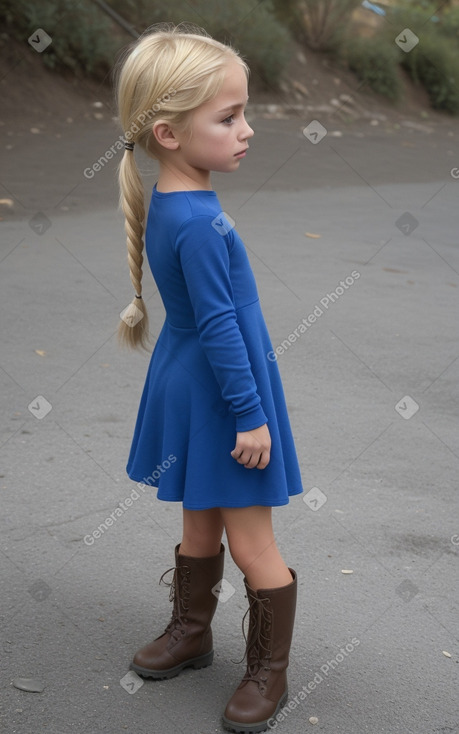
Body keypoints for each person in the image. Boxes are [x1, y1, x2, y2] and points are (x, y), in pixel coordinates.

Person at [115, 23, 303, 733]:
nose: (246, 129)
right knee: (232, 534)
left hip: (201, 381)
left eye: (243, 112)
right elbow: (221, 325)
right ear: (167, 133)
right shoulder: (194, 219)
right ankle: (195, 635)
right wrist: (250, 415)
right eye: (228, 117)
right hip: (224, 393)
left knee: (216, 524)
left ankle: (265, 671)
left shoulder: (174, 200)